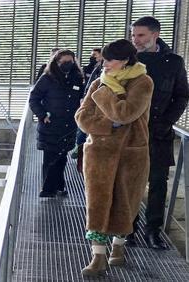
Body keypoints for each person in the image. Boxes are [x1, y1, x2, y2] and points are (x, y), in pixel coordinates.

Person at [75, 39, 153, 276]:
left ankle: (118, 248)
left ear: (126, 60)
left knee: (125, 203)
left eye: (110, 60)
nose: (105, 64)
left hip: (131, 154)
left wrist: (105, 96)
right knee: (97, 204)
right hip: (98, 153)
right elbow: (81, 117)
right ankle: (97, 256)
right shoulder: (99, 82)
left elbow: (126, 113)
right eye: (105, 59)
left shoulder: (143, 82)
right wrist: (111, 125)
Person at [127, 16, 189, 249]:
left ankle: (153, 231)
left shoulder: (173, 62)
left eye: (140, 35)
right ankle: (128, 229)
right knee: (129, 182)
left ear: (155, 34)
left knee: (158, 184)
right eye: (133, 35)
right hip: (130, 133)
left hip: (159, 132)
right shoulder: (127, 58)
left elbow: (182, 95)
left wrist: (167, 121)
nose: (136, 40)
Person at [29, 49, 84, 197]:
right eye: (64, 62)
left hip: (69, 125)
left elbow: (82, 98)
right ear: (56, 62)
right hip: (50, 125)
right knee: (50, 157)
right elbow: (34, 99)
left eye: (70, 62)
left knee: (62, 157)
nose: (67, 65)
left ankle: (58, 186)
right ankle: (48, 189)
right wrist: (42, 115)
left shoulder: (77, 78)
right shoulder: (47, 78)